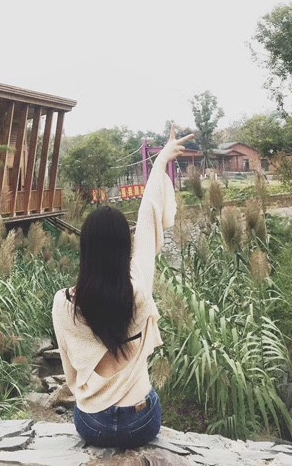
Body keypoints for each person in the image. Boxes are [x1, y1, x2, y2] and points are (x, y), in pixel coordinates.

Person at [52, 126, 193, 448]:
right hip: (141, 422)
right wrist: (161, 161)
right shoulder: (138, 287)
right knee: (148, 397)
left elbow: (69, 368)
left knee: (90, 405)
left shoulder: (64, 302)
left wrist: (87, 397)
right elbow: (148, 217)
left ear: (85, 248)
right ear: (124, 245)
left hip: (93, 424)